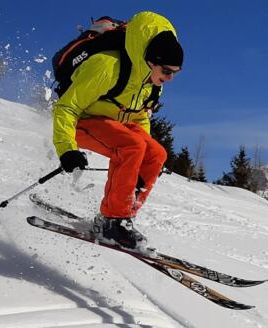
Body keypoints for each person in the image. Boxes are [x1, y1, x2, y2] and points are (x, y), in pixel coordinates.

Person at [52, 11, 183, 250]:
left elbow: (140, 117)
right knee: (131, 146)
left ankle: (123, 218)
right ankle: (112, 221)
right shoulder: (107, 66)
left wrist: (147, 159)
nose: (170, 78)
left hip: (112, 125)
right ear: (151, 62)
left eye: (175, 72)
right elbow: (66, 108)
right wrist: (66, 150)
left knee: (156, 154)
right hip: (82, 120)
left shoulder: (152, 84)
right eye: (167, 71)